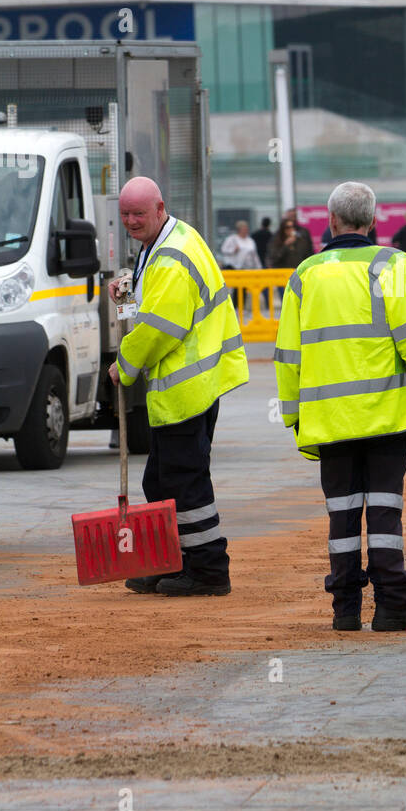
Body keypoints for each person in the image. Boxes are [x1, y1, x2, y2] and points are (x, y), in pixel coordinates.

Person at [274, 181, 406, 632]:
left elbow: (288, 355)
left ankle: (345, 610)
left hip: (329, 420)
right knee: (385, 509)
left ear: (331, 222)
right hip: (386, 414)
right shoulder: (394, 264)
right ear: (372, 222)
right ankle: (391, 607)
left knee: (342, 513)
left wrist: (293, 415)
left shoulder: (304, 275)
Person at [108, 176, 249, 597]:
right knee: (162, 479)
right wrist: (125, 297)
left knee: (185, 482)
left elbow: (160, 328)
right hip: (188, 385)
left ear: (159, 208)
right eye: (125, 215)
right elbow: (150, 308)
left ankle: (208, 570)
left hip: (187, 386)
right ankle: (164, 559)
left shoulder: (171, 255)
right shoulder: (166, 241)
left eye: (138, 214)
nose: (131, 221)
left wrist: (125, 366)